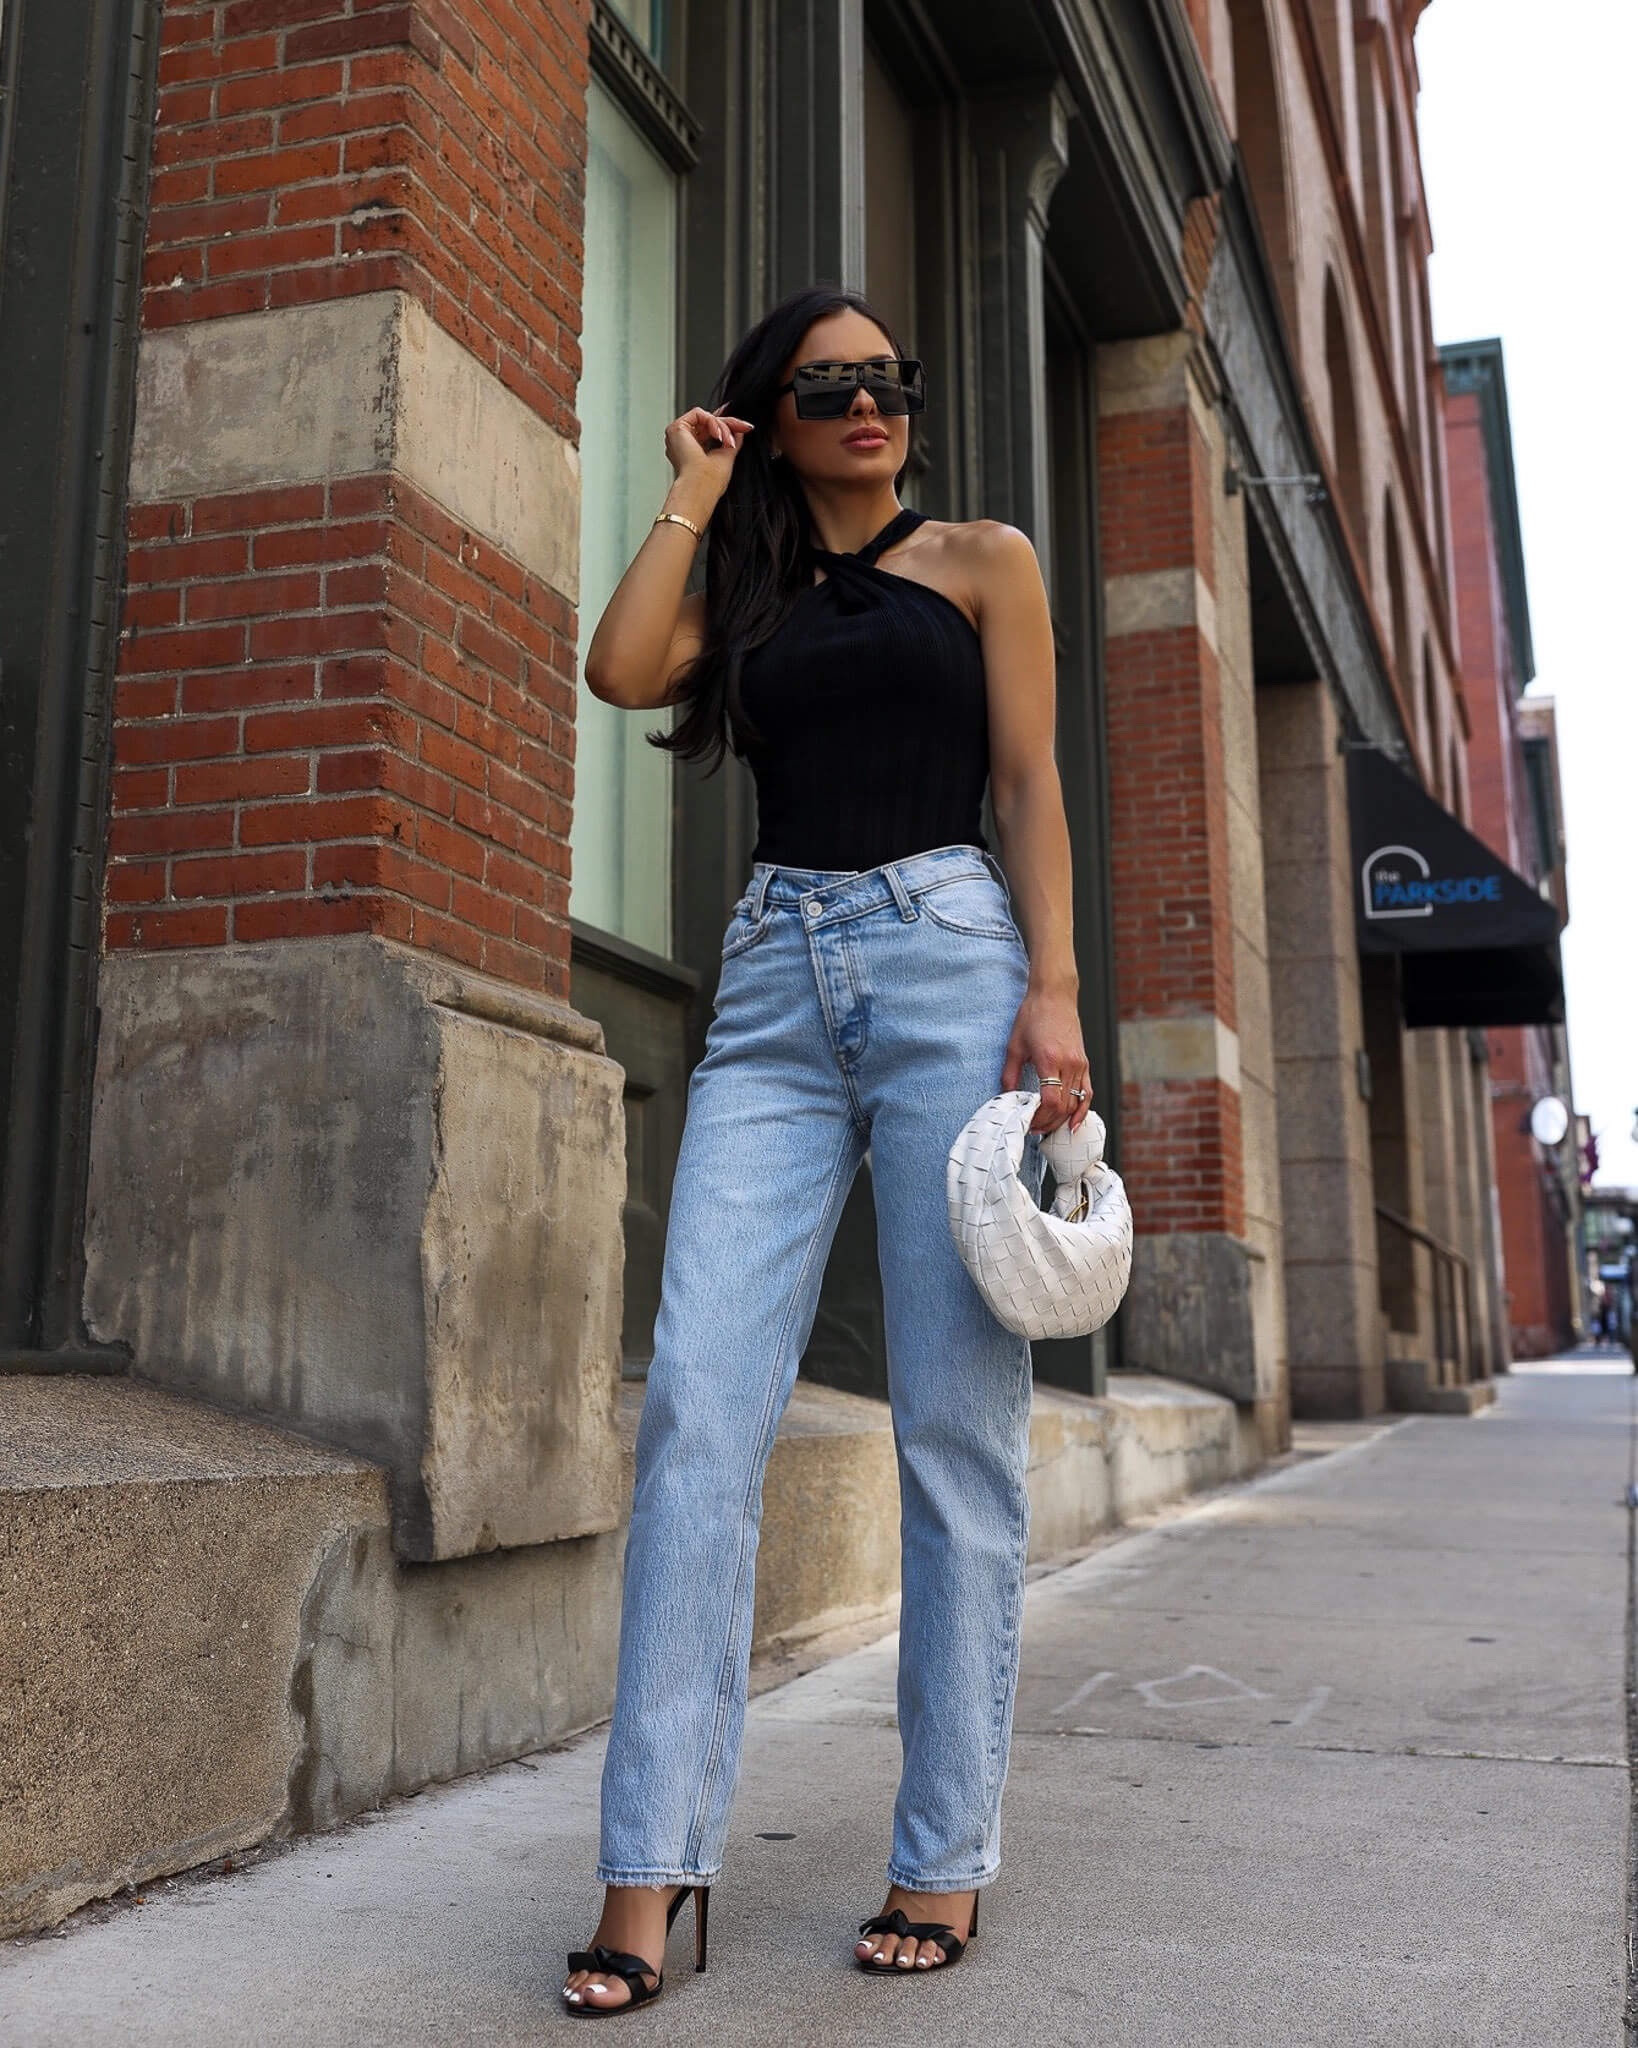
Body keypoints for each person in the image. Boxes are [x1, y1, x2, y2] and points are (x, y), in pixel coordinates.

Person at [561, 284, 1094, 2014]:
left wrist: (1059, 998)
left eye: (888, 381)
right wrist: (693, 493)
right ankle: (651, 1873)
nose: (869, 406)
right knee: (699, 1406)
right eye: (825, 387)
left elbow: (1028, 786)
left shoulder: (987, 561)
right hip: (779, 979)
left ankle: (939, 1860)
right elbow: (621, 667)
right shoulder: (748, 583)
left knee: (954, 1425)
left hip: (954, 959)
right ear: (769, 412)